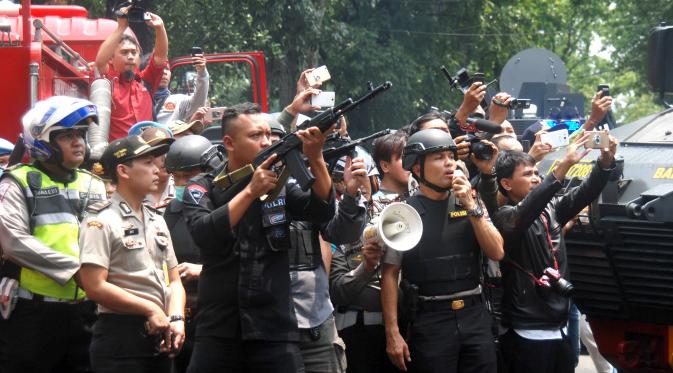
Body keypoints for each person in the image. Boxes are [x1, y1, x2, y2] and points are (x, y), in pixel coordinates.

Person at [182, 97, 334, 372]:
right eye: (255, 135)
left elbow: (319, 209)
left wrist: (317, 158)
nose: (266, 141)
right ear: (229, 142)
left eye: (267, 134)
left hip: (273, 326)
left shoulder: (279, 183)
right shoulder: (201, 186)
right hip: (219, 327)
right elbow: (203, 232)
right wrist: (250, 191)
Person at [493, 131, 618, 373]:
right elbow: (528, 209)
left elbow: (586, 192)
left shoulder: (550, 208)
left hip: (560, 325)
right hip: (527, 328)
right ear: (506, 184)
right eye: (527, 174)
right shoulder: (504, 217)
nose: (535, 179)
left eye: (537, 173)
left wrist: (605, 162)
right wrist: (565, 164)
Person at [381, 129, 504, 373]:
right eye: (438, 158)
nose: (449, 164)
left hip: (475, 315)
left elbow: (497, 251)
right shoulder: (402, 212)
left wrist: (470, 205)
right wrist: (392, 332)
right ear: (417, 169)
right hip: (430, 321)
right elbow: (390, 274)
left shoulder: (470, 202)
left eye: (451, 156)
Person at [0, 96, 107, 372]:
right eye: (67, 136)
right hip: (32, 315)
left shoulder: (94, 184)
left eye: (81, 134)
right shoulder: (17, 181)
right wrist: (74, 270)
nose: (78, 142)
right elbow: (13, 242)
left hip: (86, 310)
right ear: (42, 141)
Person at [78, 135, 186, 373]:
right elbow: (94, 286)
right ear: (123, 171)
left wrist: (177, 317)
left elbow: (175, 280)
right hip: (120, 337)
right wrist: (149, 308)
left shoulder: (157, 219)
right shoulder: (100, 220)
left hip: (161, 333)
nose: (157, 168)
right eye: (147, 162)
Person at [330, 130, 409, 373]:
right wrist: (366, 267)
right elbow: (338, 289)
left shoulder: (412, 209)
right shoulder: (338, 225)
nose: (362, 186)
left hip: (410, 324)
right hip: (361, 330)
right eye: (354, 178)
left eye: (366, 178)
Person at [163, 134, 224, 373]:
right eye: (176, 177)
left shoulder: (229, 208)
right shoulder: (170, 211)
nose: (181, 184)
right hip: (181, 315)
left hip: (219, 315)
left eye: (188, 177)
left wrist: (202, 271)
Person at [93, 6, 168, 141]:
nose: (131, 56)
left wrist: (160, 28)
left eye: (134, 52)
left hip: (147, 153)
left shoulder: (147, 81)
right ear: (112, 58)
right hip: (118, 156)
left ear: (139, 58)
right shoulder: (107, 83)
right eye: (124, 52)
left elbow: (160, 57)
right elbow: (100, 63)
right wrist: (121, 27)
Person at [155, 55, 209, 125]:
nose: (165, 72)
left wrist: (202, 72)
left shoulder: (177, 100)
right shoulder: (139, 99)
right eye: (160, 68)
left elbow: (198, 102)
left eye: (167, 69)